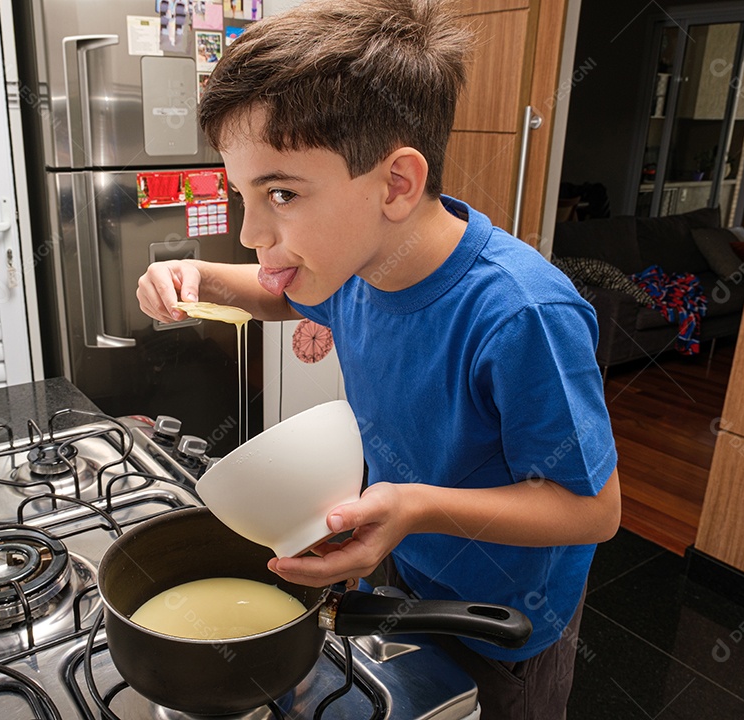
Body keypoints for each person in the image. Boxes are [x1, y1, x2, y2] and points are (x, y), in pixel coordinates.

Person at [136, 1, 620, 716]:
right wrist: (194, 277)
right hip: (407, 560)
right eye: (244, 196)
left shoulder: (522, 315)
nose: (248, 232)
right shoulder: (355, 266)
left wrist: (414, 506)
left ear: (396, 183)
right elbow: (273, 295)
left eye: (280, 194)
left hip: (508, 612)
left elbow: (591, 509)